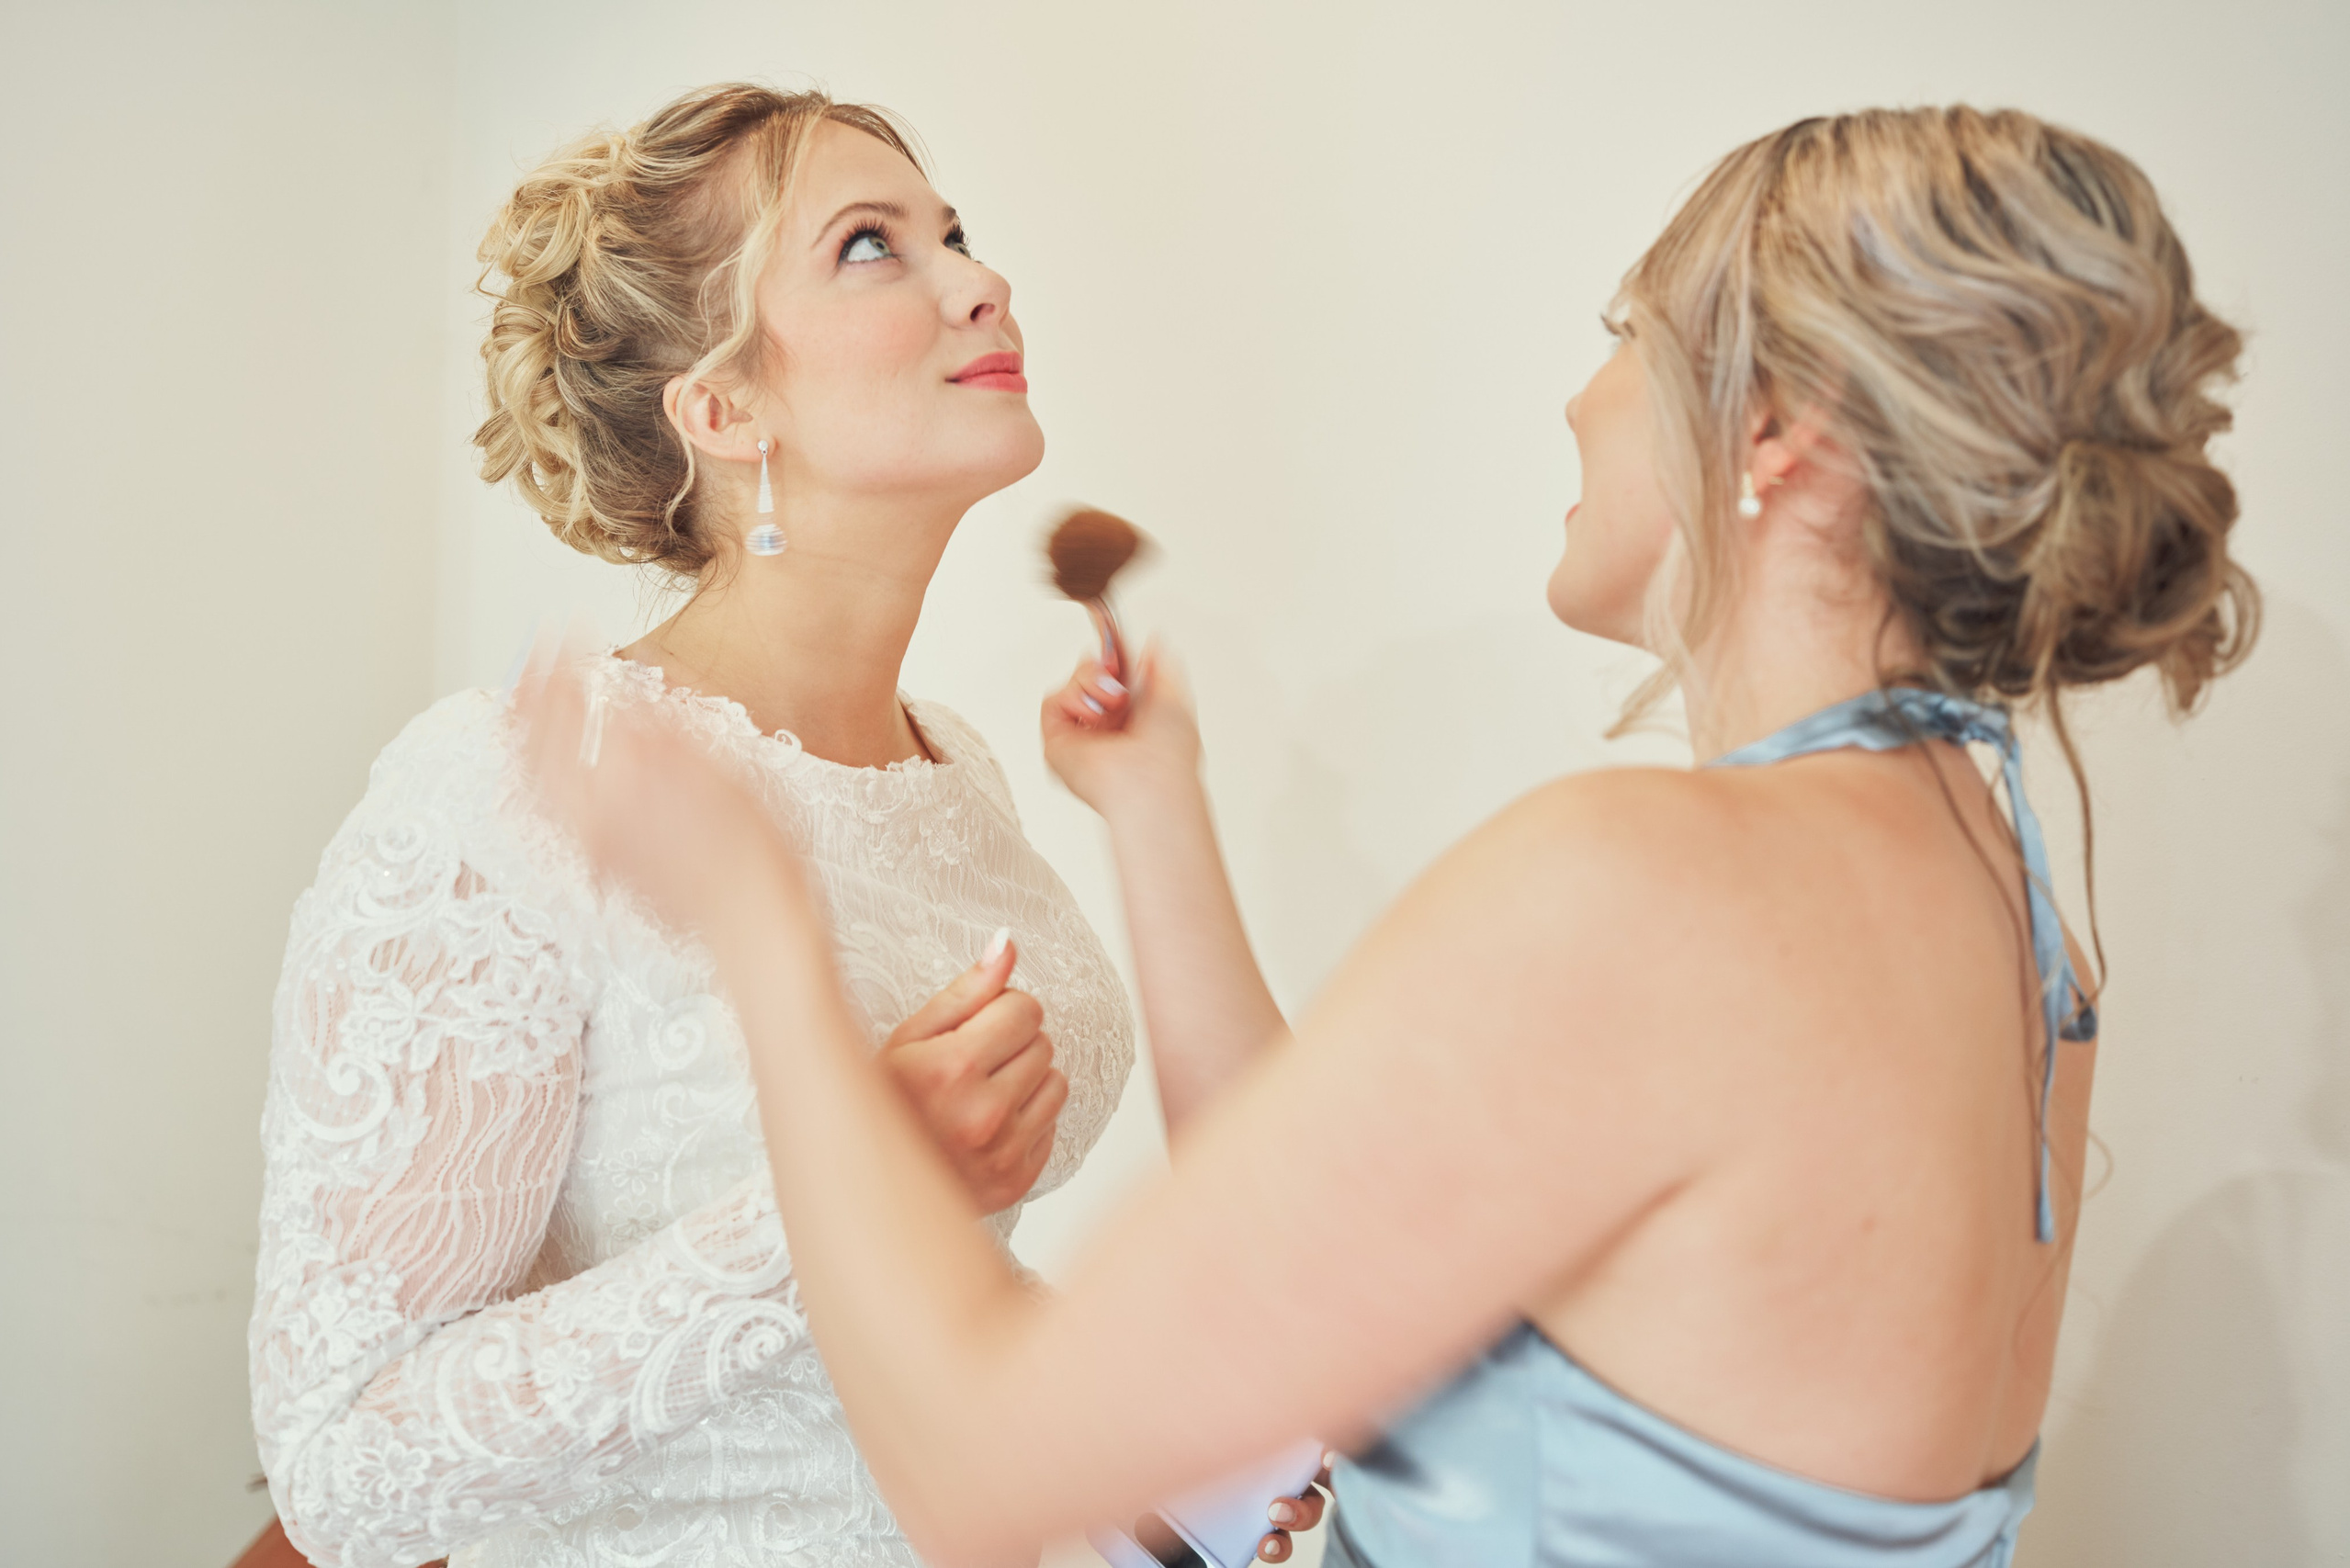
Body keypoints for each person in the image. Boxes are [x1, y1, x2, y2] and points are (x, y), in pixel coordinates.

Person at [514, 106, 2258, 1568]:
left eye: (1623, 340)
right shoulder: (2018, 910)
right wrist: (1161, 817)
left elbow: (982, 1471)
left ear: (1778, 434)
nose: (1581, 405)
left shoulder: (1649, 888)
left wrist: (761, 922)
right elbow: (1367, 1227)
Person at [249, 82, 1213, 1568]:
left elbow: (928, 1324)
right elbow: (348, 1469)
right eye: (874, 247)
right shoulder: (507, 793)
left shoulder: (955, 775)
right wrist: (847, 1196)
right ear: (722, 406)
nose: (981, 279)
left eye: (955, 232)